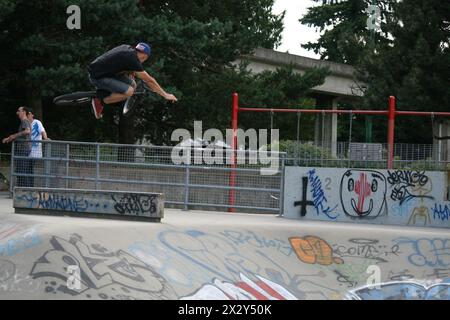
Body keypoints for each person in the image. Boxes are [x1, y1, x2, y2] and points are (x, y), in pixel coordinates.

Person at [88, 42, 178, 119]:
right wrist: (165, 95)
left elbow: (115, 60)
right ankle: (100, 101)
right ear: (145, 56)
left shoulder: (127, 48)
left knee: (133, 84)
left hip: (101, 70)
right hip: (97, 77)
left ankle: (108, 94)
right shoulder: (133, 60)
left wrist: (129, 70)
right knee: (129, 92)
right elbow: (150, 80)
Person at [2, 106, 32, 187]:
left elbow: (27, 131)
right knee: (20, 170)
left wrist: (14, 136)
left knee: (22, 170)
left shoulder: (25, 121)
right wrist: (9, 138)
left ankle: (25, 190)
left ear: (24, 112)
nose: (17, 113)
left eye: (19, 111)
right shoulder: (24, 122)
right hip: (23, 149)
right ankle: (21, 189)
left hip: (24, 149)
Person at [27, 109, 50, 187]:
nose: (28, 115)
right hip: (27, 150)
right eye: (27, 114)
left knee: (29, 168)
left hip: (34, 150)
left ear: (32, 115)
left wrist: (45, 138)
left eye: (29, 114)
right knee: (28, 168)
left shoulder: (37, 122)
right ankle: (29, 186)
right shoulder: (26, 124)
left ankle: (30, 186)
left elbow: (43, 131)